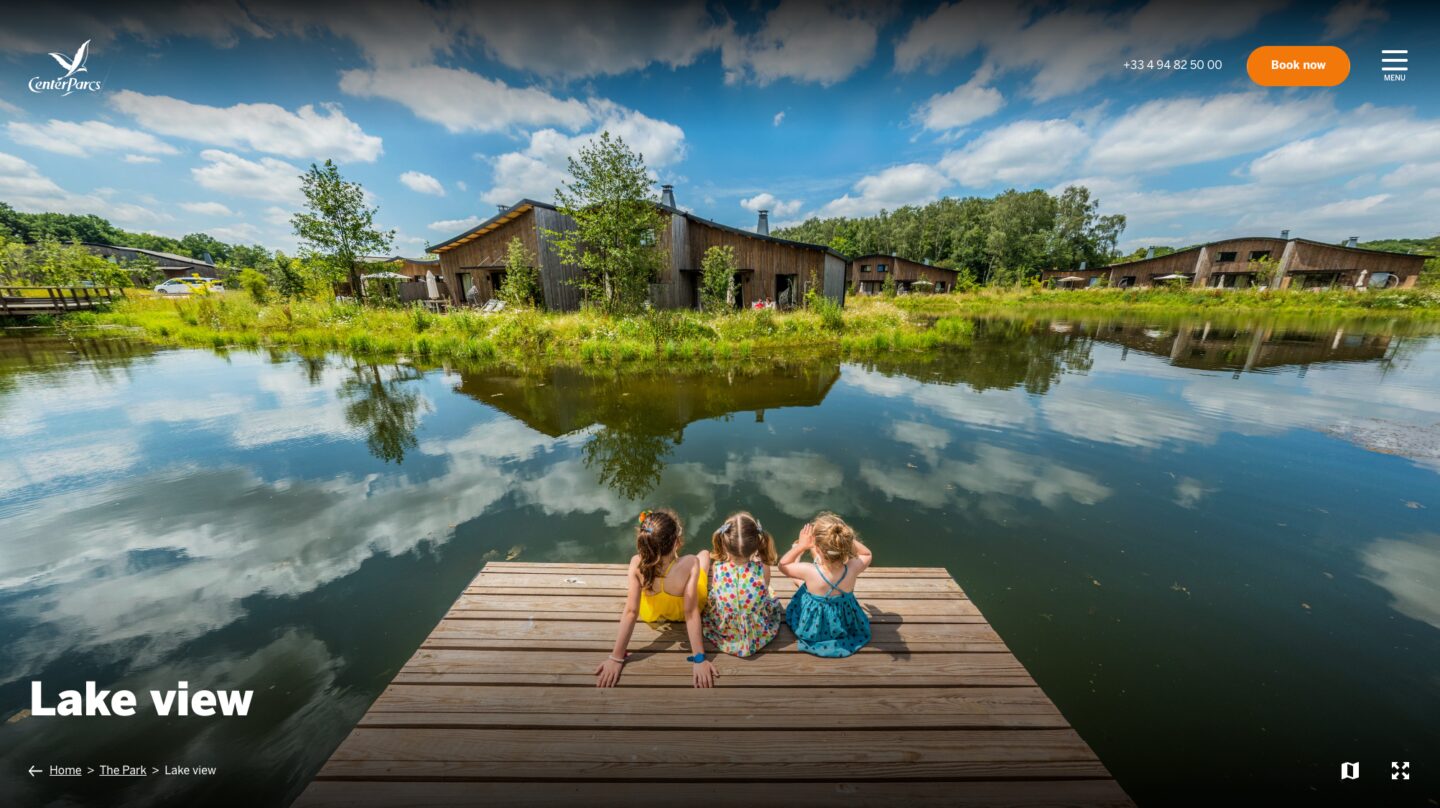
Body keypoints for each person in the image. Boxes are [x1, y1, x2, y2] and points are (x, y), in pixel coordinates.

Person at [595, 509, 717, 688]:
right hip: (683, 610)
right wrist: (699, 659)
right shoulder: (690, 562)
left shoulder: (636, 562)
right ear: (677, 542)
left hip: (653, 613)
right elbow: (690, 612)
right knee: (704, 554)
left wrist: (616, 657)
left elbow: (630, 611)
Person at [778, 513, 873, 657]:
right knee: (808, 581)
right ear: (846, 542)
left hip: (816, 623)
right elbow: (867, 554)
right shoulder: (853, 567)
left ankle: (800, 554)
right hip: (843, 620)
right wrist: (844, 539)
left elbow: (783, 565)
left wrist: (801, 547)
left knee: (801, 581)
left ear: (817, 547)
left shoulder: (809, 571)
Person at [703, 512, 784, 658]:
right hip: (757, 630)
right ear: (757, 543)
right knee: (766, 592)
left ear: (724, 544)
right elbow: (764, 588)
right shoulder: (762, 567)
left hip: (727, 628)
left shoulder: (718, 566)